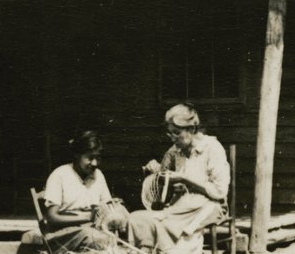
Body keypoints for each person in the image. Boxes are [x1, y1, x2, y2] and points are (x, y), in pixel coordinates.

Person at [128, 103, 230, 254]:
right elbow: (162, 178)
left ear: (192, 129)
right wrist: (153, 170)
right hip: (180, 206)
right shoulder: (175, 150)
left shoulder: (212, 148)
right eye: (170, 133)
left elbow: (220, 192)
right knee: (139, 219)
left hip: (209, 205)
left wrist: (185, 178)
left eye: (176, 133)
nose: (172, 138)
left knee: (175, 232)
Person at [42, 131, 120, 253]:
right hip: (63, 235)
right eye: (90, 158)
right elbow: (52, 217)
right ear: (77, 155)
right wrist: (88, 217)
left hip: (91, 232)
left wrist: (113, 208)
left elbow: (106, 204)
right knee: (98, 239)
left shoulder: (98, 175)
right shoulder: (60, 175)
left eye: (98, 158)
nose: (95, 163)